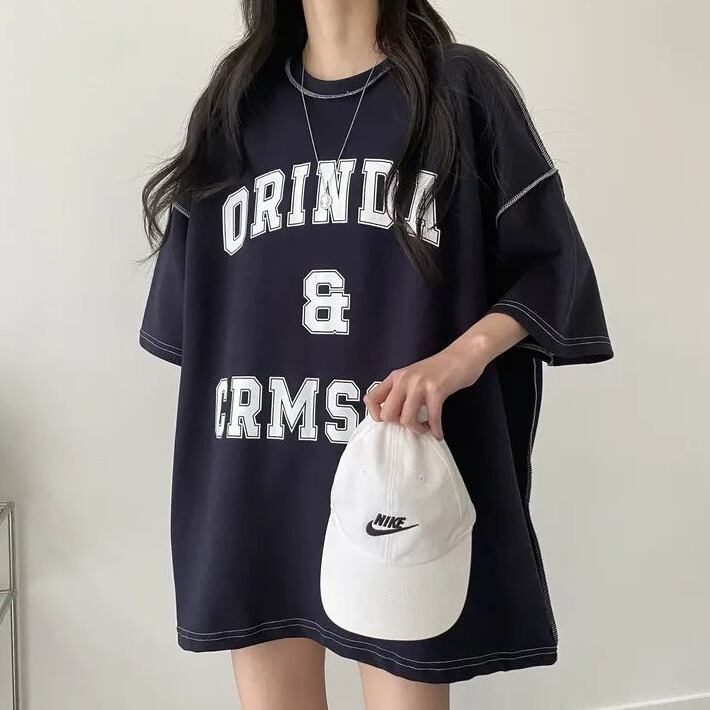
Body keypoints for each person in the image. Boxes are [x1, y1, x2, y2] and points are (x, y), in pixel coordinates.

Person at [139, 0, 613, 708]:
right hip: (253, 476)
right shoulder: (232, 110)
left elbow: (550, 267)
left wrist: (459, 358)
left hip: (395, 475)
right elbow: (200, 327)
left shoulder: (460, 90)